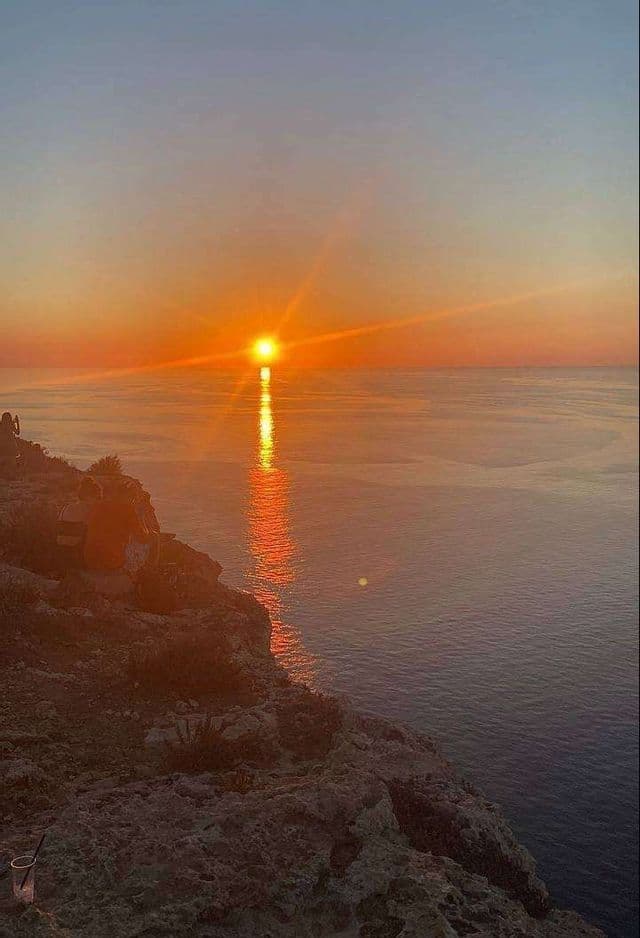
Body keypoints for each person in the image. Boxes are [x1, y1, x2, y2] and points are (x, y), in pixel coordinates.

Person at [83, 481, 151, 575]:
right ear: (131, 497)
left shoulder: (98, 505)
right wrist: (141, 517)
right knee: (154, 539)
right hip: (111, 560)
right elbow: (143, 538)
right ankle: (148, 575)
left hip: (90, 558)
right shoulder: (128, 509)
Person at [56, 476, 103, 569]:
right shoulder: (90, 511)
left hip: (60, 552)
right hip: (78, 555)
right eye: (98, 497)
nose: (99, 501)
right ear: (90, 496)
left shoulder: (67, 507)